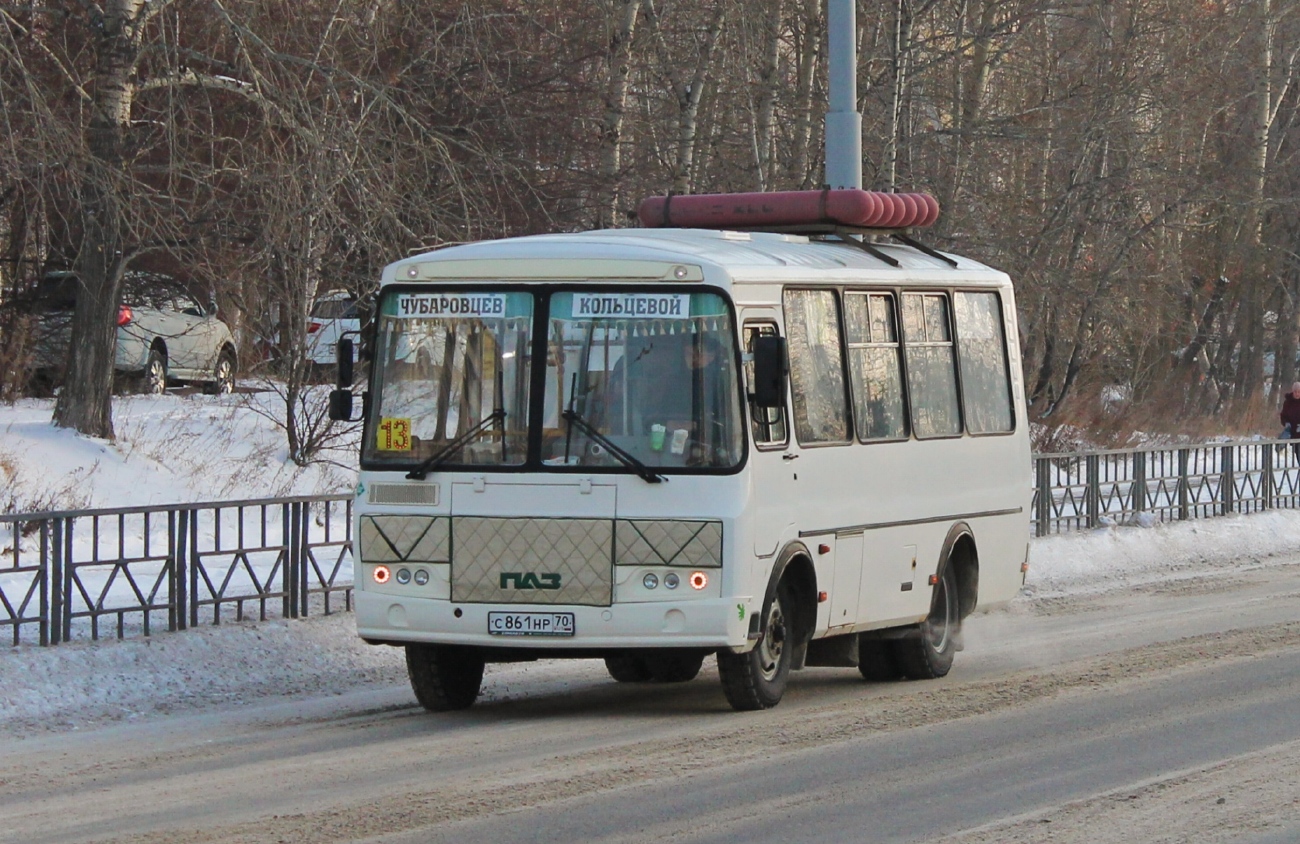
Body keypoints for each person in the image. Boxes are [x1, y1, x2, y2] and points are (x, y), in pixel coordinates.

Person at [1281, 382, 1300, 461]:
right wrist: (1286, 423)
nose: (1297, 394)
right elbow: (1283, 416)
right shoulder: (1288, 402)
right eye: (1295, 391)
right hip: (1294, 434)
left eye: (1299, 392)